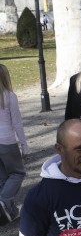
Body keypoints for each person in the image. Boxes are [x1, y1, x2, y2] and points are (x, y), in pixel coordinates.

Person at [0, 64, 29, 223]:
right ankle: (4, 201)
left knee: (3, 178)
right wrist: (24, 145)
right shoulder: (9, 96)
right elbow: (17, 123)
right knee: (18, 173)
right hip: (6, 141)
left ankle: (9, 212)